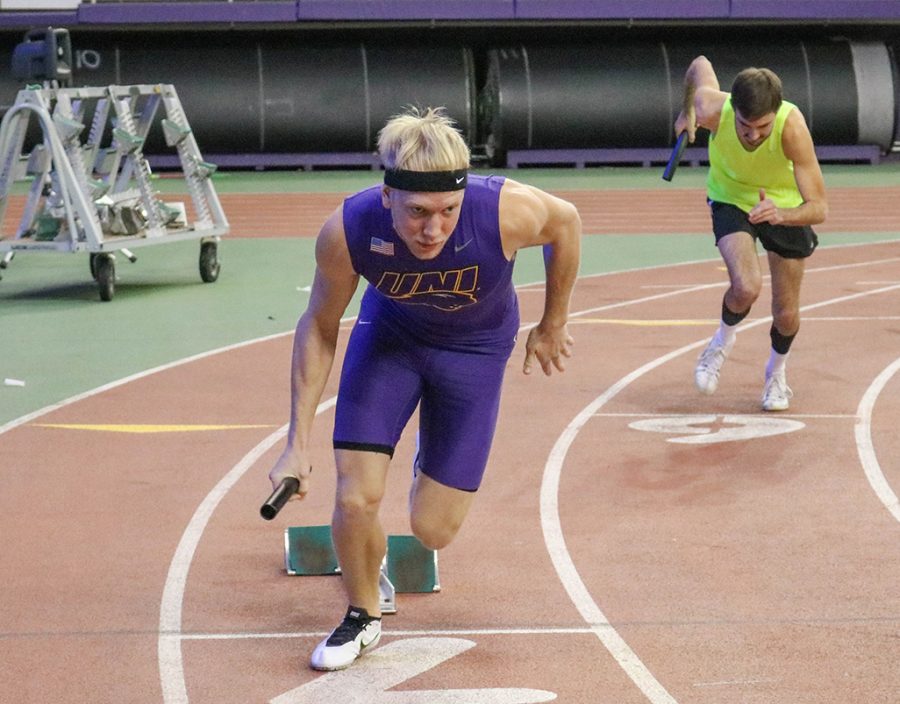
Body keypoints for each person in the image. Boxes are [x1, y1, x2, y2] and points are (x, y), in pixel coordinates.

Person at [268, 106, 582, 671]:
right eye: (416, 212)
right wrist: (297, 440)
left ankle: (423, 461)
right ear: (387, 197)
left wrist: (553, 320)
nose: (433, 229)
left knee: (432, 530)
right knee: (356, 495)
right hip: (390, 342)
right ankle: (362, 613)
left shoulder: (505, 211)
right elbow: (318, 326)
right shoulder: (349, 230)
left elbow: (568, 223)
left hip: (476, 352)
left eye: (447, 211)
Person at [674, 56, 828, 411]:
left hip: (783, 207)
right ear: (733, 109)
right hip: (731, 199)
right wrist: (686, 112)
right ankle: (719, 345)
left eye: (763, 127)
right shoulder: (714, 108)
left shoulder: (792, 128)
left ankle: (776, 374)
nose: (754, 135)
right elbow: (698, 65)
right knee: (746, 286)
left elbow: (819, 207)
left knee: (786, 314)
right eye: (746, 126)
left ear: (776, 112)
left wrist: (782, 214)